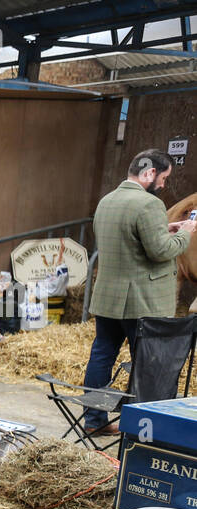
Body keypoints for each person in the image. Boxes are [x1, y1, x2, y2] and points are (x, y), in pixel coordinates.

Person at [83, 148, 196, 434]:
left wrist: (167, 227)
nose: (163, 185)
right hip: (141, 302)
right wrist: (187, 231)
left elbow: (130, 239)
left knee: (102, 356)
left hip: (109, 298)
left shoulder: (107, 200)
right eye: (163, 178)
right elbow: (160, 251)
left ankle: (94, 420)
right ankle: (145, 428)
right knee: (148, 366)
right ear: (149, 173)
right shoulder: (149, 205)